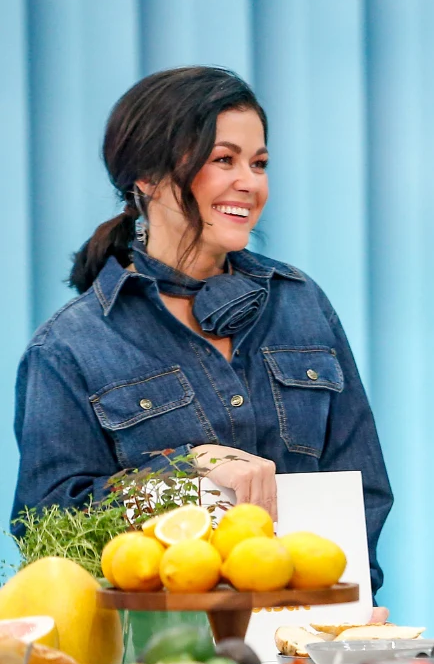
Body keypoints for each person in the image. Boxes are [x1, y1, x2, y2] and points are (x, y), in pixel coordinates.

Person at [10, 66, 394, 601]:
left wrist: (352, 604)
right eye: (223, 160)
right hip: (165, 642)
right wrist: (188, 469)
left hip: (308, 632)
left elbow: (362, 487)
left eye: (259, 163)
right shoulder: (70, 346)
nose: (250, 183)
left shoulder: (300, 301)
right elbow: (50, 528)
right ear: (147, 177)